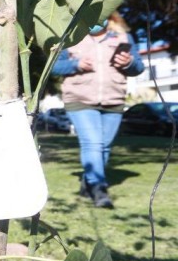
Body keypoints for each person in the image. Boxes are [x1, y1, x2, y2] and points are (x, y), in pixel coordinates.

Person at [51, 11, 144, 208]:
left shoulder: (123, 36)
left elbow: (139, 67)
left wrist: (129, 63)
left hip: (114, 99)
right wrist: (76, 64)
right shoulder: (70, 36)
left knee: (104, 146)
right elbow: (54, 67)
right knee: (92, 143)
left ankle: (87, 181)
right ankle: (99, 187)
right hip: (80, 98)